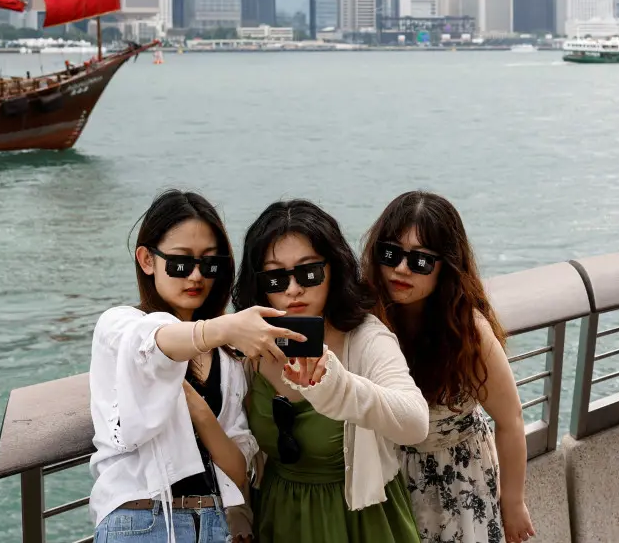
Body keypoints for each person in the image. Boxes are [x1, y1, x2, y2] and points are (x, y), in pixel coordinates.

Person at [89, 189, 305, 543]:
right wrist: (229, 327)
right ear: (147, 260)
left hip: (212, 523)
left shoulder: (227, 360)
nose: (195, 277)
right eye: (180, 263)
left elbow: (237, 469)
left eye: (210, 264)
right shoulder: (119, 326)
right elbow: (154, 341)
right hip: (140, 519)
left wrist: (199, 410)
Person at [233, 199, 428, 543]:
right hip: (279, 517)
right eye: (276, 277)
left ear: (333, 269)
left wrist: (337, 388)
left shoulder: (365, 338)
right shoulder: (250, 350)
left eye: (309, 272)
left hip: (360, 523)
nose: (293, 289)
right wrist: (239, 516)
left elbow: (415, 422)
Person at [362, 191, 535, 543]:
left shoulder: (468, 331)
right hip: (388, 478)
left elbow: (510, 418)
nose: (401, 269)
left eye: (420, 260)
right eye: (391, 253)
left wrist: (513, 502)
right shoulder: (366, 318)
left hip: (458, 477)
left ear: (447, 265)